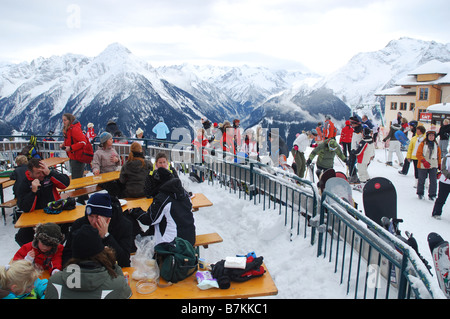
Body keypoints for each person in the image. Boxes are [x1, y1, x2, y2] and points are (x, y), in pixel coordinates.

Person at [46, 224, 132, 299]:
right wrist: (112, 264)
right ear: (101, 252)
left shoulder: (54, 281)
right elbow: (126, 291)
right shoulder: (116, 285)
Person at [62, 193, 133, 267]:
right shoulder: (80, 224)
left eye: (97, 216)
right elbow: (68, 253)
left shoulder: (123, 225)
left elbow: (124, 261)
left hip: (111, 271)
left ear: (108, 216)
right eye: (90, 216)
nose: (93, 221)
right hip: (84, 270)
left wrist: (106, 236)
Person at [129, 167, 196, 246]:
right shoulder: (183, 193)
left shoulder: (163, 197)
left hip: (172, 242)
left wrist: (135, 211)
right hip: (190, 238)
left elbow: (149, 219)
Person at [15, 158, 70, 246]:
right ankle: (37, 253)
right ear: (30, 173)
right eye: (38, 173)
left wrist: (50, 173)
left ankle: (56, 250)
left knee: (70, 227)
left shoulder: (48, 175)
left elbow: (65, 184)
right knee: (21, 237)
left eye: (42, 171)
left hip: (54, 213)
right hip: (36, 218)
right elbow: (25, 207)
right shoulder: (24, 183)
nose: (41, 175)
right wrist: (33, 192)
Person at [60, 113, 88, 180]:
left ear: (70, 120)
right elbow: (72, 140)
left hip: (77, 157)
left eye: (65, 120)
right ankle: (79, 189)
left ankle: (79, 190)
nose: (63, 122)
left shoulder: (74, 129)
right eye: (63, 120)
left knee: (77, 179)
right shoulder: (69, 129)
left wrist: (70, 148)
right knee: (76, 177)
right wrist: (64, 144)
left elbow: (83, 142)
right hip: (73, 156)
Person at [416, 131, 441, 200]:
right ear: (427, 136)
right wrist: (423, 161)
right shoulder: (422, 144)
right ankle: (420, 193)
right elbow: (418, 154)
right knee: (421, 179)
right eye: (430, 136)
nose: (431, 137)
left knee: (433, 181)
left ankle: (432, 194)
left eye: (432, 136)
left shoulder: (436, 145)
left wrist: (439, 164)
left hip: (433, 164)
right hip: (423, 164)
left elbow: (438, 155)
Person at [432, 153, 450, 219]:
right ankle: (436, 212)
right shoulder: (447, 158)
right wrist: (448, 176)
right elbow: (443, 169)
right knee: (441, 198)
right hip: (445, 182)